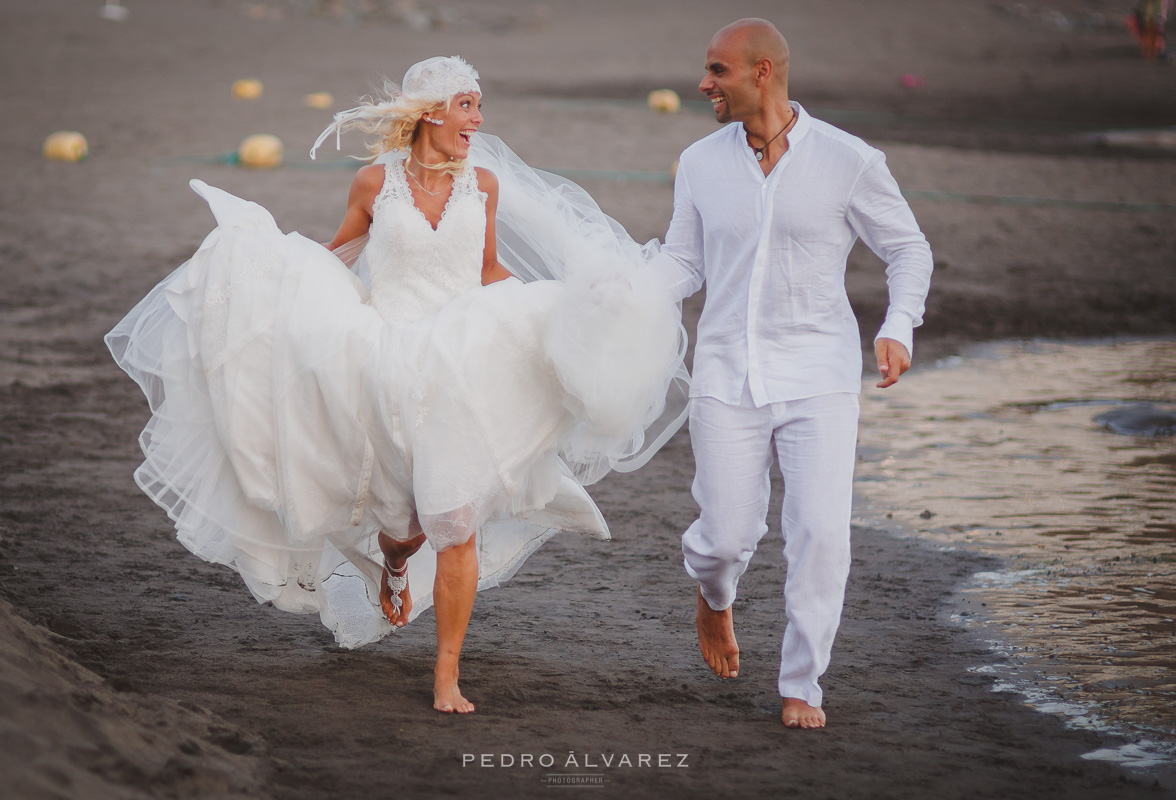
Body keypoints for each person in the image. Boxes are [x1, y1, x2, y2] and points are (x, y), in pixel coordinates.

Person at [106, 56, 688, 714]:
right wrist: (275, 290)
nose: (478, 118)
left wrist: (561, 310)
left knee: (453, 518)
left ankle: (447, 671)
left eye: (478, 104)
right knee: (403, 524)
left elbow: (490, 269)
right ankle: (395, 563)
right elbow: (338, 258)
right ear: (431, 111)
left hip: (466, 358)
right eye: (467, 104)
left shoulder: (484, 186)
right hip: (389, 359)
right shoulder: (372, 185)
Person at [645, 20, 933, 729]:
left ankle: (803, 683)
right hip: (724, 370)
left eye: (718, 71)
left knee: (821, 532)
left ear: (763, 71)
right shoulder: (700, 163)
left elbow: (908, 249)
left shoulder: (849, 160)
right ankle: (714, 599)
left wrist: (898, 327)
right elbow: (684, 263)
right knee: (723, 538)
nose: (704, 84)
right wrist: (624, 297)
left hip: (820, 373)